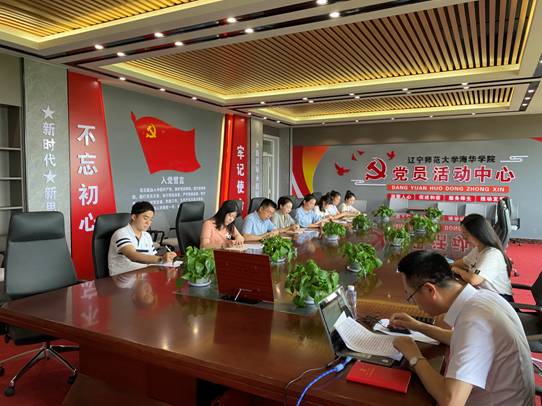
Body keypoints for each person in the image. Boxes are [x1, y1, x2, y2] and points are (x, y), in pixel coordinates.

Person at [390, 250, 534, 406]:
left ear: (430, 290)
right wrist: (417, 326)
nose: (414, 304)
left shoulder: (474, 321)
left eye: (411, 296)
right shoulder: (482, 298)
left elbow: (451, 401)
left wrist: (414, 356)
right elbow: (461, 339)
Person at [451, 214, 513, 301]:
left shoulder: (492, 254)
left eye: (466, 234)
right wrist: (445, 265)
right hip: (484, 296)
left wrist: (457, 270)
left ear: (478, 234)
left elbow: (474, 280)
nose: (464, 238)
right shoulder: (477, 249)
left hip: (499, 299)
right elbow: (460, 263)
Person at [108, 201, 177, 276]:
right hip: (122, 278)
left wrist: (167, 259)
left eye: (151, 219)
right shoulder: (121, 233)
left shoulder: (146, 235)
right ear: (134, 217)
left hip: (143, 276)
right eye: (145, 218)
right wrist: (161, 259)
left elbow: (152, 257)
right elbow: (132, 256)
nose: (148, 223)